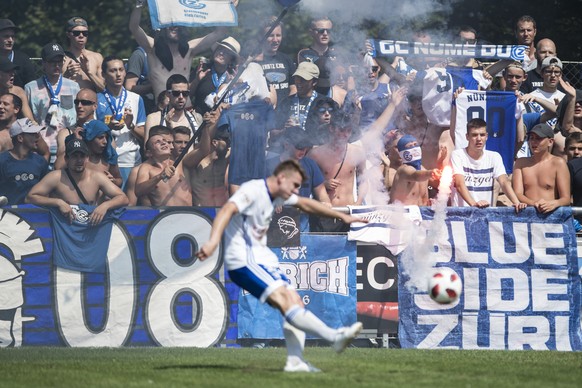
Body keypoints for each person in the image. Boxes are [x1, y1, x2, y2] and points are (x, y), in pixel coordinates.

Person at [195, 159, 364, 373]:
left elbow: (306, 203)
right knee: (286, 301)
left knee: (295, 302)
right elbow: (227, 210)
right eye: (294, 185)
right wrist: (212, 241)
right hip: (244, 259)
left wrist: (341, 215)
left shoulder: (277, 194)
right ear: (282, 177)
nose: (295, 190)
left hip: (262, 258)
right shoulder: (254, 190)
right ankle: (334, 337)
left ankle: (295, 362)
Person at [129, 0, 230, 101]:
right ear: (163, 25)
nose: (174, 26)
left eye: (178, 23)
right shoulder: (153, 48)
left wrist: (224, 6)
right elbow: (134, 27)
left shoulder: (190, 49)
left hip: (186, 110)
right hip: (162, 111)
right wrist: (139, 4)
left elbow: (220, 33)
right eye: (170, 22)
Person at [26, 138, 128, 224]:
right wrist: (58, 202)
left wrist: (105, 206)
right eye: (74, 156)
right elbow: (30, 198)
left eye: (82, 156)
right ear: (66, 159)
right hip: (63, 230)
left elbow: (123, 198)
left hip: (89, 232)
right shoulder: (56, 177)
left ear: (87, 158)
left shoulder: (97, 177)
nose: (79, 161)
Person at [308, 111, 367, 231]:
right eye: (341, 130)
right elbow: (304, 182)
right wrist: (323, 184)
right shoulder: (316, 154)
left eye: (348, 130)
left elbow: (364, 180)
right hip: (325, 213)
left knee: (349, 249)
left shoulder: (358, 152)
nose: (344, 134)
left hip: (349, 210)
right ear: (331, 128)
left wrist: (358, 202)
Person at [451, 118, 526, 211]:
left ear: (486, 136)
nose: (479, 139)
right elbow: (459, 184)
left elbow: (504, 182)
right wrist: (474, 204)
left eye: (482, 135)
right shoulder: (457, 155)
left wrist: (516, 202)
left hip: (485, 214)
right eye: (474, 135)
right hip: (462, 214)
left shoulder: (494, 156)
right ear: (467, 137)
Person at [265, 126, 331, 231]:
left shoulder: (310, 164)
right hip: (274, 229)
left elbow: (321, 192)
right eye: (299, 147)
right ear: (286, 145)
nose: (303, 151)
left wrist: (325, 202)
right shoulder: (269, 165)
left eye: (306, 147)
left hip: (302, 229)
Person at [25, 43, 80, 165]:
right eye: (52, 62)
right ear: (43, 63)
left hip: (67, 149)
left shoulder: (74, 87)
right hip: (41, 150)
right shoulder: (31, 88)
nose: (57, 65)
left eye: (59, 61)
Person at [96, 56, 146, 188]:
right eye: (113, 71)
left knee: (131, 204)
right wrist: (107, 126)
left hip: (131, 161)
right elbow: (91, 132)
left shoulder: (136, 99)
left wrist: (130, 125)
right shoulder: (96, 99)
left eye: (121, 70)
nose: (118, 74)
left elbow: (144, 135)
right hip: (105, 161)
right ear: (103, 74)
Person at [512, 123, 571, 213]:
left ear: (550, 142)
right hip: (527, 214)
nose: (533, 142)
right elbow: (517, 193)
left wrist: (554, 203)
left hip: (550, 215)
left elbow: (566, 199)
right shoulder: (521, 163)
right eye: (531, 138)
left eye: (539, 138)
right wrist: (534, 203)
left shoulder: (558, 163)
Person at [0, 118, 49, 205]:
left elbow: (48, 191)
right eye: (32, 134)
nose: (37, 137)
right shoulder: (2, 161)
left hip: (35, 214)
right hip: (8, 215)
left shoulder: (40, 162)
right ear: (20, 138)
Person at [389, 134, 446, 206]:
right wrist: (431, 173)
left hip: (423, 214)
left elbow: (438, 183)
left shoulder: (423, 169)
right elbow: (415, 176)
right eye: (409, 146)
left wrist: (440, 163)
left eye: (415, 144)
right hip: (403, 214)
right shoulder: (403, 170)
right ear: (402, 153)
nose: (414, 148)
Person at [190, 36, 241, 116]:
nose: (221, 53)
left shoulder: (233, 77)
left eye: (226, 52)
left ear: (231, 60)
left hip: (221, 121)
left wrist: (234, 86)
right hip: (199, 118)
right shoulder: (202, 69)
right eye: (220, 49)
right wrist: (196, 81)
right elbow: (187, 95)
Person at [253, 16, 296, 108]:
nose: (275, 40)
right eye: (271, 36)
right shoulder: (254, 62)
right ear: (261, 37)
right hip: (263, 114)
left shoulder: (287, 59)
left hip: (284, 114)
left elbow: (294, 88)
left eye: (278, 35)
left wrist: (287, 108)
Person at [145, 74, 202, 141]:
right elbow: (148, 149)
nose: (181, 97)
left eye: (185, 93)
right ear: (168, 94)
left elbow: (201, 149)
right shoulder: (154, 119)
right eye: (176, 93)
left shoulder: (197, 118)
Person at [54, 88, 98, 170]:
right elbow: (58, 166)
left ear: (94, 106)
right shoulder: (66, 133)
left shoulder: (102, 133)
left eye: (85, 103)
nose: (79, 106)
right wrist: (75, 141)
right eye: (76, 102)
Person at [0, 93, 50, 161]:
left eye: (5, 104)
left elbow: (45, 153)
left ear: (16, 109)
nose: (0, 106)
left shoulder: (29, 130)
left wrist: (38, 169)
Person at [62, 17, 105, 92]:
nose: (81, 35)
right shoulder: (61, 58)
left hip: (91, 101)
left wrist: (89, 73)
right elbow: (52, 86)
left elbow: (104, 89)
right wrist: (66, 75)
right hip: (68, 101)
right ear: (68, 35)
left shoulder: (97, 57)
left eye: (85, 33)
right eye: (76, 33)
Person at [190, 129, 230, 207]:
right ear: (215, 142)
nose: (228, 143)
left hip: (222, 211)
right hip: (203, 213)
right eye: (226, 140)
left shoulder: (227, 157)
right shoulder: (197, 162)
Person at [81, 120, 122, 188]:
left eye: (106, 137)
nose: (105, 141)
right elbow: (59, 167)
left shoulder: (109, 156)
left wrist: (114, 181)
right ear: (90, 138)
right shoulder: (78, 157)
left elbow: (119, 180)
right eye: (100, 137)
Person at [0, 19, 36, 88]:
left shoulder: (24, 60)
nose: (10, 40)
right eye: (6, 36)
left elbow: (31, 87)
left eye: (13, 37)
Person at [0, 57, 35, 122]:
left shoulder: (18, 92)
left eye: (13, 71)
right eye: (8, 71)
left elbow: (29, 119)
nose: (12, 74)